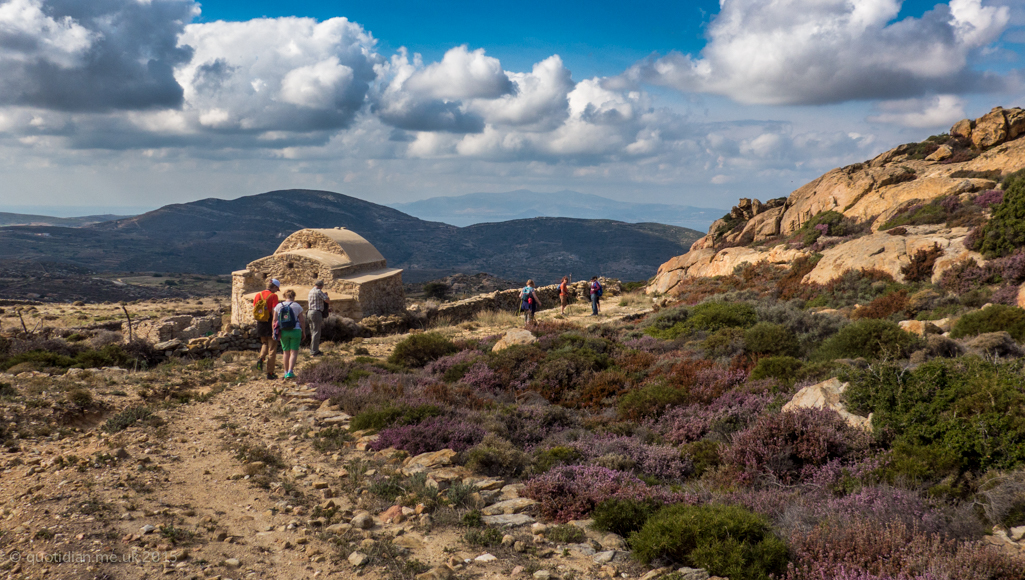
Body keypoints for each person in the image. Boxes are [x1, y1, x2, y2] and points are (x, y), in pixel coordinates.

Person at [273, 289, 306, 379]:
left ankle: (285, 371)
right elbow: (302, 320)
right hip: (296, 330)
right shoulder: (297, 306)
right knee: (294, 352)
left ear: (284, 296)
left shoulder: (278, 306)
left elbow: (275, 320)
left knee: (286, 352)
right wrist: (304, 331)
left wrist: (274, 332)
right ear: (294, 296)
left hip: (283, 331)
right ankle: (290, 372)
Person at [253, 278, 280, 379]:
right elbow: (274, 311)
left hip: (260, 323)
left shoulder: (257, 295)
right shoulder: (273, 296)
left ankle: (261, 358)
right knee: (272, 348)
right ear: (274, 287)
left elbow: (255, 307)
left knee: (264, 343)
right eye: (277, 289)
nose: (277, 291)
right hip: (270, 322)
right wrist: (276, 323)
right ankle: (270, 373)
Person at [307, 280, 330, 357]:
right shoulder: (318, 291)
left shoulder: (310, 291)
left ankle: (312, 349)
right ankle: (314, 352)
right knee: (316, 332)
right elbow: (327, 300)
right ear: (321, 286)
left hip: (309, 312)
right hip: (316, 313)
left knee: (313, 332)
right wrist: (326, 295)